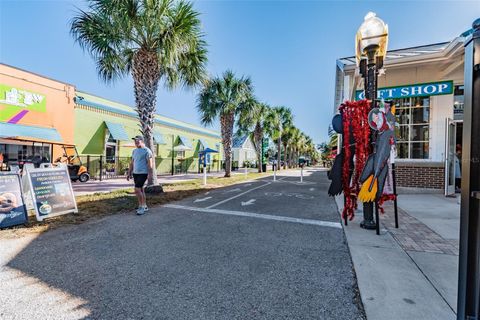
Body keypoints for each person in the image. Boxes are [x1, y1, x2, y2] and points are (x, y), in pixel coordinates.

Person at [127, 135, 153, 215]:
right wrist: (129, 172)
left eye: (137, 141)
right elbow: (132, 162)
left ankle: (141, 207)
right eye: (135, 141)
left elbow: (150, 164)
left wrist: (150, 175)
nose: (136, 142)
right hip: (135, 173)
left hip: (143, 173)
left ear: (142, 141)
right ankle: (143, 205)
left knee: (137, 190)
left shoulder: (147, 151)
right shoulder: (134, 151)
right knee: (141, 190)